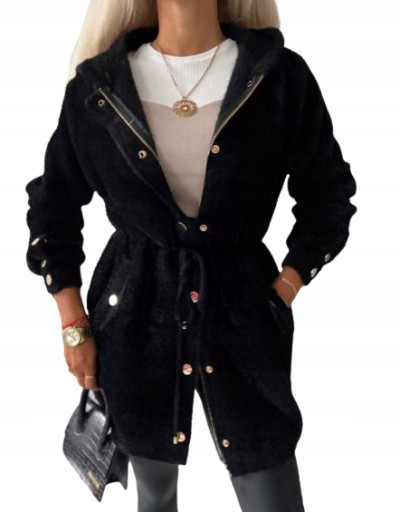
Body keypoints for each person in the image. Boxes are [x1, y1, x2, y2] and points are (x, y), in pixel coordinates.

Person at [24, 0, 357, 510]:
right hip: (133, 318)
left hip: (244, 312)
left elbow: (329, 194)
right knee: (154, 496)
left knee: (269, 482)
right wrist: (73, 324)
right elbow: (53, 209)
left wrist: (286, 286)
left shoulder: (278, 78)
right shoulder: (98, 88)